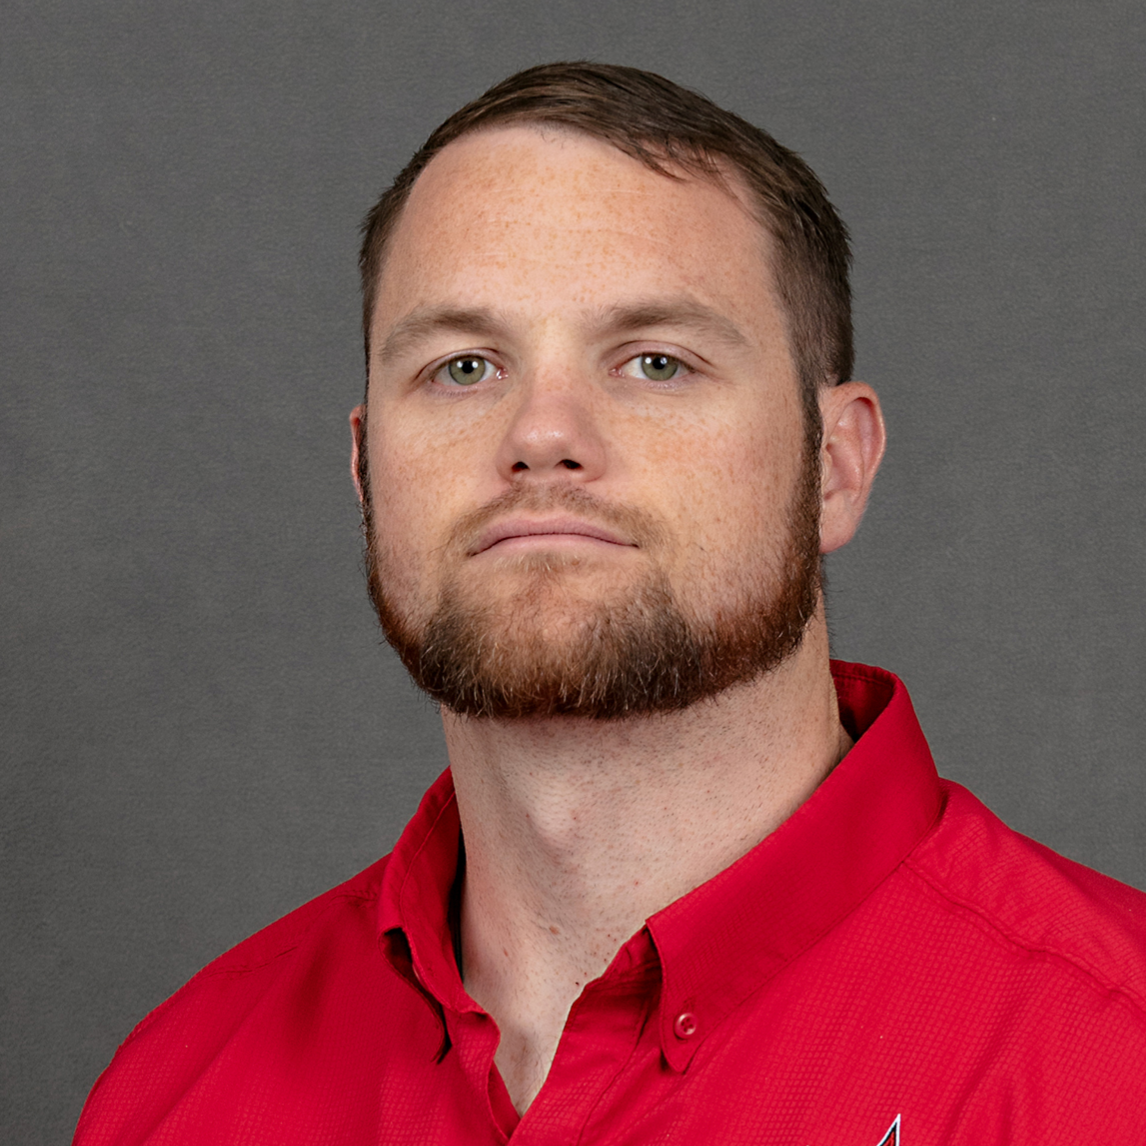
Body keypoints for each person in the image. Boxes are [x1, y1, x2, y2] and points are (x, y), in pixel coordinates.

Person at [74, 62, 1146, 1146]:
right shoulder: (174, 1096)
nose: (541, 435)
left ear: (836, 466)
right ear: (366, 470)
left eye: (655, 362)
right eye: (463, 367)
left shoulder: (1115, 1065)